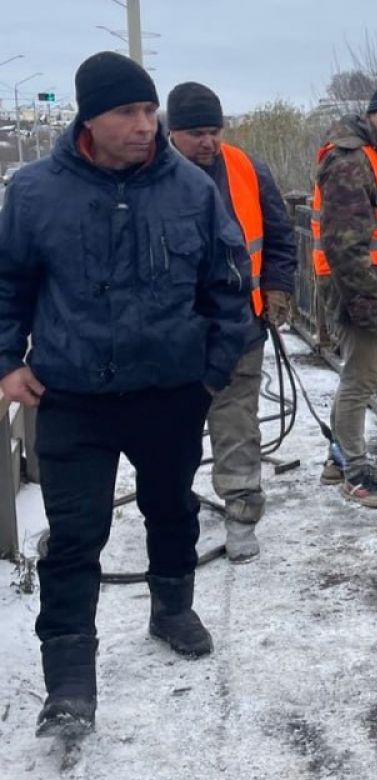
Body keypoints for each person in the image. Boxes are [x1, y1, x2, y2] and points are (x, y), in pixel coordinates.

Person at [0, 52, 256, 737]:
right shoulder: (33, 193)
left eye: (150, 112)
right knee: (76, 536)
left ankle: (172, 608)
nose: (146, 126)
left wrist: (208, 375)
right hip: (72, 397)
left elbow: (230, 288)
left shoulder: (193, 191)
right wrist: (5, 362)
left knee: (170, 510)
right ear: (91, 118)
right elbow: (9, 286)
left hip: (170, 393)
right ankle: (69, 682)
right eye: (128, 113)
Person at [167, 81, 297, 562]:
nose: (209, 142)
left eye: (214, 131)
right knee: (171, 428)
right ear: (172, 133)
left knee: (236, 422)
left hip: (241, 326)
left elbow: (281, 238)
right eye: (197, 133)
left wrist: (279, 289)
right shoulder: (145, 175)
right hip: (174, 334)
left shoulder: (245, 168)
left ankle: (242, 513)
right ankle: (170, 510)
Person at [311, 81, 377, 509]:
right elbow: (344, 246)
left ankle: (339, 459)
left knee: (358, 376)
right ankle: (354, 472)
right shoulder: (352, 161)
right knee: (360, 381)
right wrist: (366, 304)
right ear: (371, 116)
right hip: (361, 290)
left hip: (371, 288)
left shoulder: (372, 157)